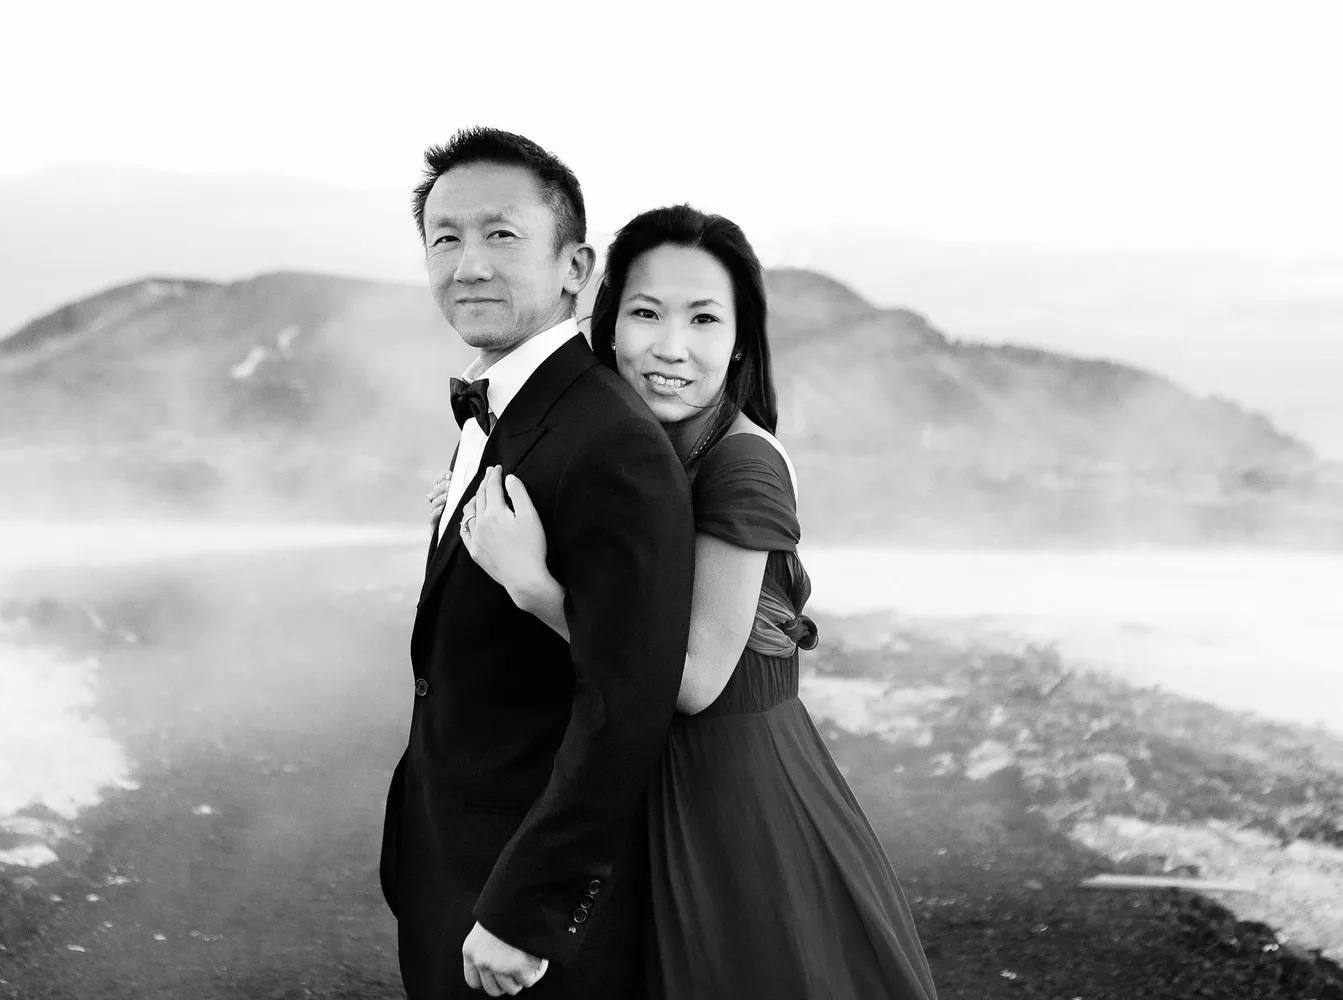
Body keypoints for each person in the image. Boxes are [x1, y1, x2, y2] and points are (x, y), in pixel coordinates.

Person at [450, 205, 940, 999]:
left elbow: (691, 680)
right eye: (645, 313)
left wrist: (534, 588)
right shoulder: (630, 445)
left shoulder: (742, 465)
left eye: (703, 319)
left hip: (729, 789)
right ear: (608, 325)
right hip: (642, 772)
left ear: (740, 339)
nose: (670, 348)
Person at [379, 128, 695, 999]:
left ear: (575, 266)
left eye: (501, 234)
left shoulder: (610, 443)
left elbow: (625, 703)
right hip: (454, 870)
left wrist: (530, 910)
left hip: (528, 920)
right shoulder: (506, 414)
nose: (468, 263)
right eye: (445, 238)